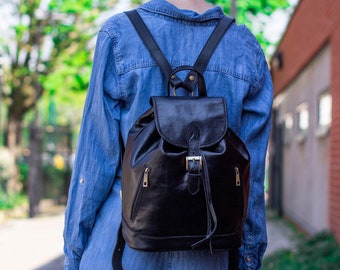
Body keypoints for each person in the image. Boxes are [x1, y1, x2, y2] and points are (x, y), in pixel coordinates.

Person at [63, 0, 273, 269]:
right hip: (212, 246)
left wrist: (75, 253)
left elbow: (93, 167)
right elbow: (250, 178)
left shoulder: (119, 35)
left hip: (122, 247)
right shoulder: (245, 47)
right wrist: (249, 257)